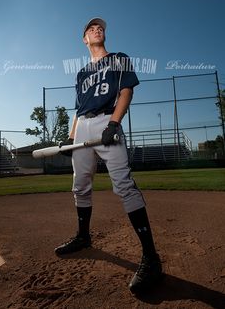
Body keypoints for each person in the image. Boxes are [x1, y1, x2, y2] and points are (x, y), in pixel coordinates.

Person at [55, 17, 163, 293]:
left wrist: (114, 123)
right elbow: (78, 110)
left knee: (124, 184)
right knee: (80, 185)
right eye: (91, 29)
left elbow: (126, 91)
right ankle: (83, 236)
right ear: (84, 39)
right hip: (83, 127)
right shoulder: (80, 74)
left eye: (100, 27)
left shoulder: (119, 58)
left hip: (106, 120)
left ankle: (151, 257)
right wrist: (70, 138)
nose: (97, 29)